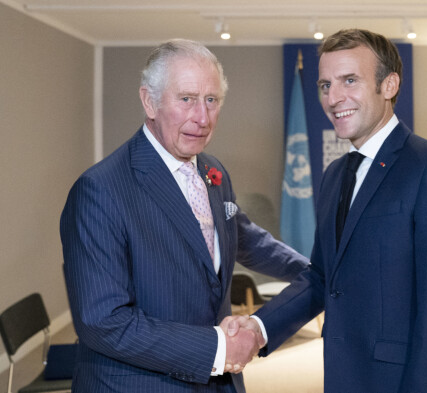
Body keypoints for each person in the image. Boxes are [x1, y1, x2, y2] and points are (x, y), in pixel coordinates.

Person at [225, 28, 427, 392]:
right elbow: (323, 277)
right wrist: (258, 326)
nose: (333, 98)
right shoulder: (334, 175)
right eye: (326, 85)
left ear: (389, 85)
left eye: (349, 80)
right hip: (343, 375)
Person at [60, 39, 308, 393]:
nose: (202, 118)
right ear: (149, 101)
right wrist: (220, 347)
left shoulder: (212, 170)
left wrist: (315, 272)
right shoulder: (99, 190)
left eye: (212, 100)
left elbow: (246, 238)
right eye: (187, 99)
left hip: (218, 382)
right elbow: (103, 322)